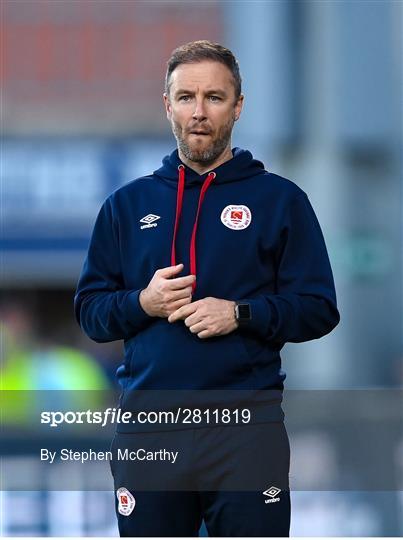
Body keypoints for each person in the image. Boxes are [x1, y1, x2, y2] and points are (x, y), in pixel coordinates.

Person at [74, 40, 340, 537]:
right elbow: (89, 311)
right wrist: (142, 302)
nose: (199, 112)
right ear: (167, 104)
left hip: (246, 430)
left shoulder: (280, 201)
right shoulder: (125, 206)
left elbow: (319, 310)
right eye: (186, 97)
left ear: (238, 106)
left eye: (214, 98)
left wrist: (241, 314)